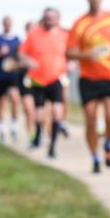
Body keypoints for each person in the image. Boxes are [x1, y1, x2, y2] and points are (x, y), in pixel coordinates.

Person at [66, 0, 110, 174]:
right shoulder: (80, 23)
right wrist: (88, 54)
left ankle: (109, 143)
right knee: (91, 120)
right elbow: (69, 52)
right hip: (89, 77)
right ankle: (95, 157)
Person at [20, 8, 70, 158]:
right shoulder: (33, 34)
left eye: (52, 18)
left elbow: (72, 52)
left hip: (56, 78)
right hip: (38, 80)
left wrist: (71, 63)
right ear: (43, 18)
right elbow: (22, 53)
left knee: (57, 112)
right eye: (47, 18)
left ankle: (52, 147)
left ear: (58, 19)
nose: (49, 20)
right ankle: (38, 135)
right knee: (39, 114)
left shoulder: (64, 35)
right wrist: (27, 61)